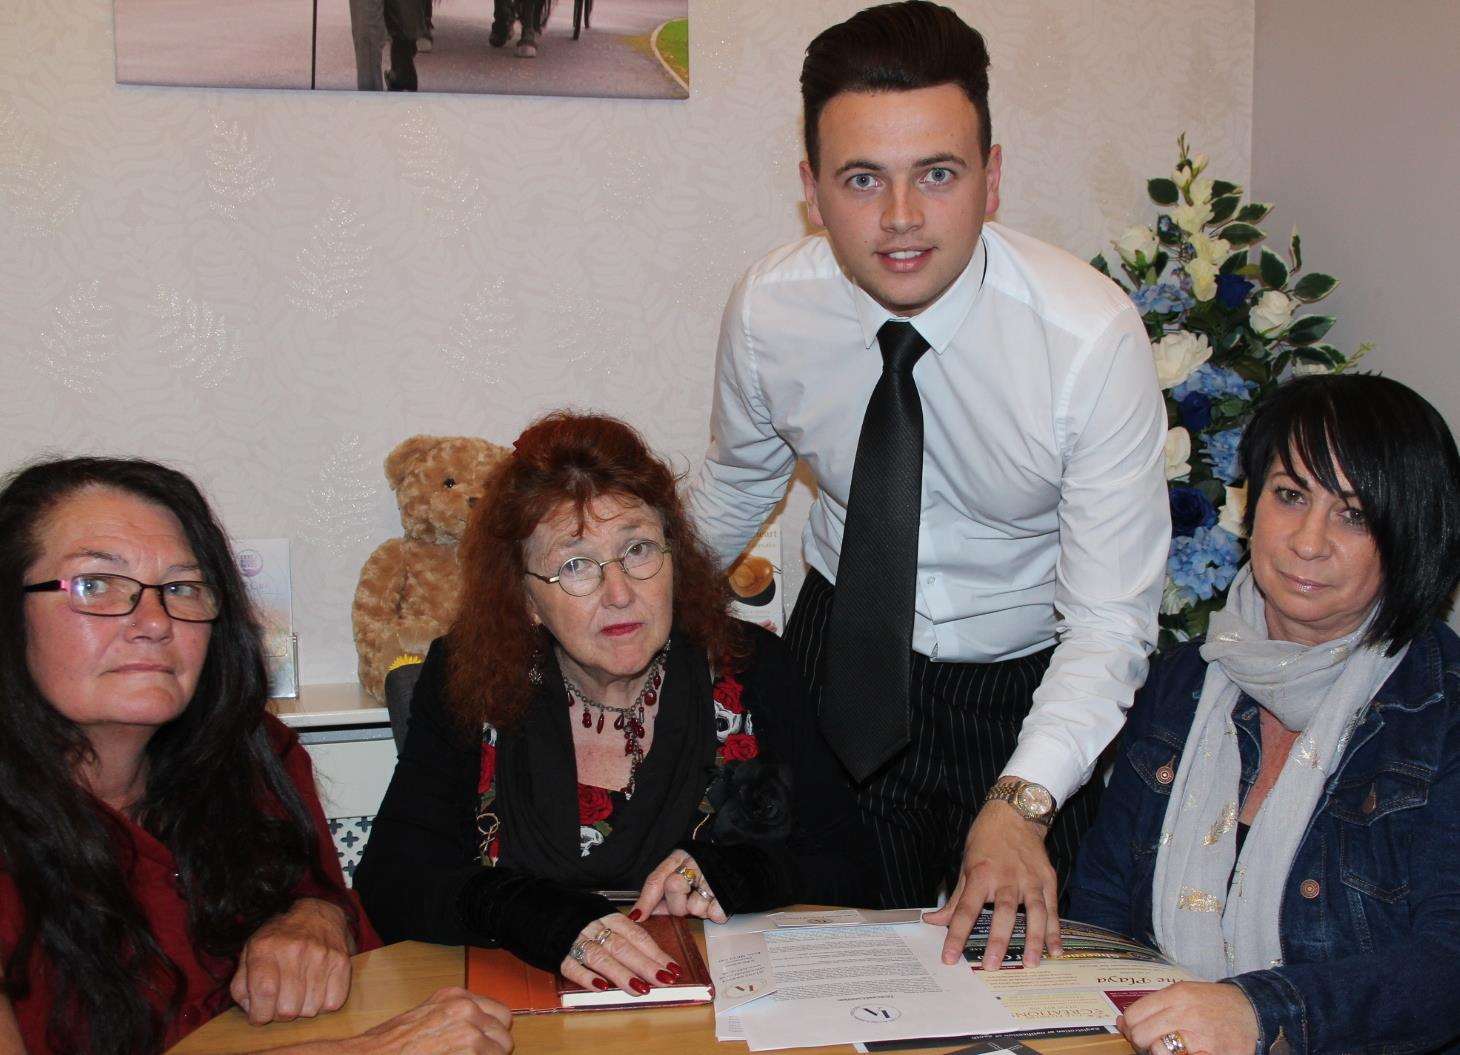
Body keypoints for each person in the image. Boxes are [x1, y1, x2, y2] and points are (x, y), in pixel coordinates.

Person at [688, 0, 1169, 969]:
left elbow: (1110, 619)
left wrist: (1021, 796)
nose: (900, 219)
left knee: (1038, 992)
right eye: (861, 179)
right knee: (822, 975)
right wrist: (600, 620)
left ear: (990, 179)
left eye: (936, 175)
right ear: (810, 190)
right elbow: (730, 494)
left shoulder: (1087, 338)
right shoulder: (770, 312)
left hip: (1030, 688)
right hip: (841, 669)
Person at [0, 458, 513, 1055]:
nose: (153, 622)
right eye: (95, 584)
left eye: (182, 588)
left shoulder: (247, 751)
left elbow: (326, 900)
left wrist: (310, 920)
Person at [354, 412, 871, 997]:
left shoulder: (753, 669)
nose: (620, 592)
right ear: (525, 597)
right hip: (526, 1012)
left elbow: (849, 867)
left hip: (723, 1019)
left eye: (638, 550)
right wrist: (530, 913)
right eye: (575, 565)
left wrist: (741, 873)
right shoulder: (467, 677)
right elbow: (393, 881)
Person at [1067, 374, 1460, 1055]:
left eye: (1354, 513)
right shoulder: (1185, 678)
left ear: (1410, 533)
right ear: (1251, 505)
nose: (1308, 542)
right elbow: (1099, 906)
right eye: (1290, 495)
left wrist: (1261, 1013)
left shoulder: (1441, 711)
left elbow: (1446, 965)